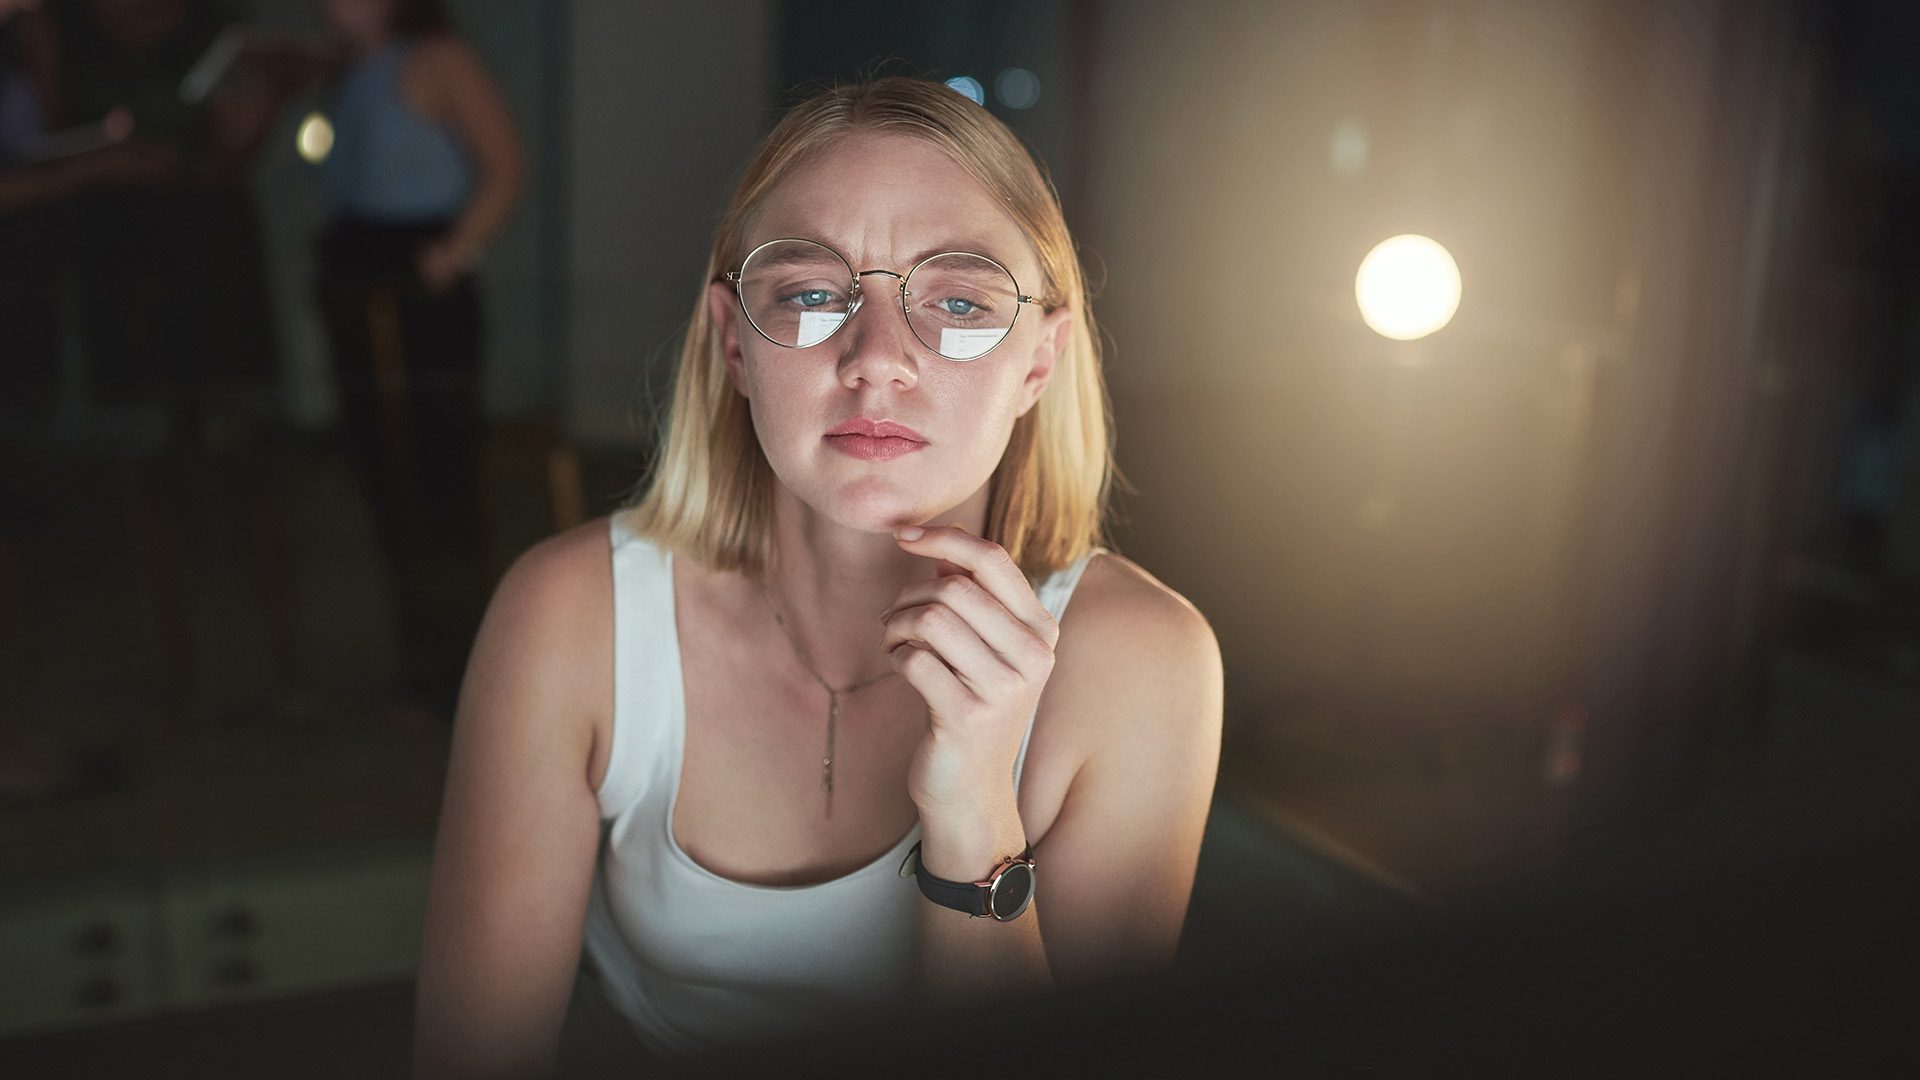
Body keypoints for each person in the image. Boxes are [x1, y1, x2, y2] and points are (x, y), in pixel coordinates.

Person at [411, 77, 1225, 1076]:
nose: (876, 359)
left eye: (959, 299)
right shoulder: (572, 616)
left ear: (1040, 364)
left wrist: (973, 806)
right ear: (734, 345)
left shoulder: (1143, 664)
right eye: (808, 293)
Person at [313, 0, 523, 727]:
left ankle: (465, 662)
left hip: (417, 281)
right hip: (356, 267)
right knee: (384, 467)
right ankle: (418, 656)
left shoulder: (438, 59)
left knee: (438, 464)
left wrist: (450, 255)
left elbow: (504, 168)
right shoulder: (347, 69)